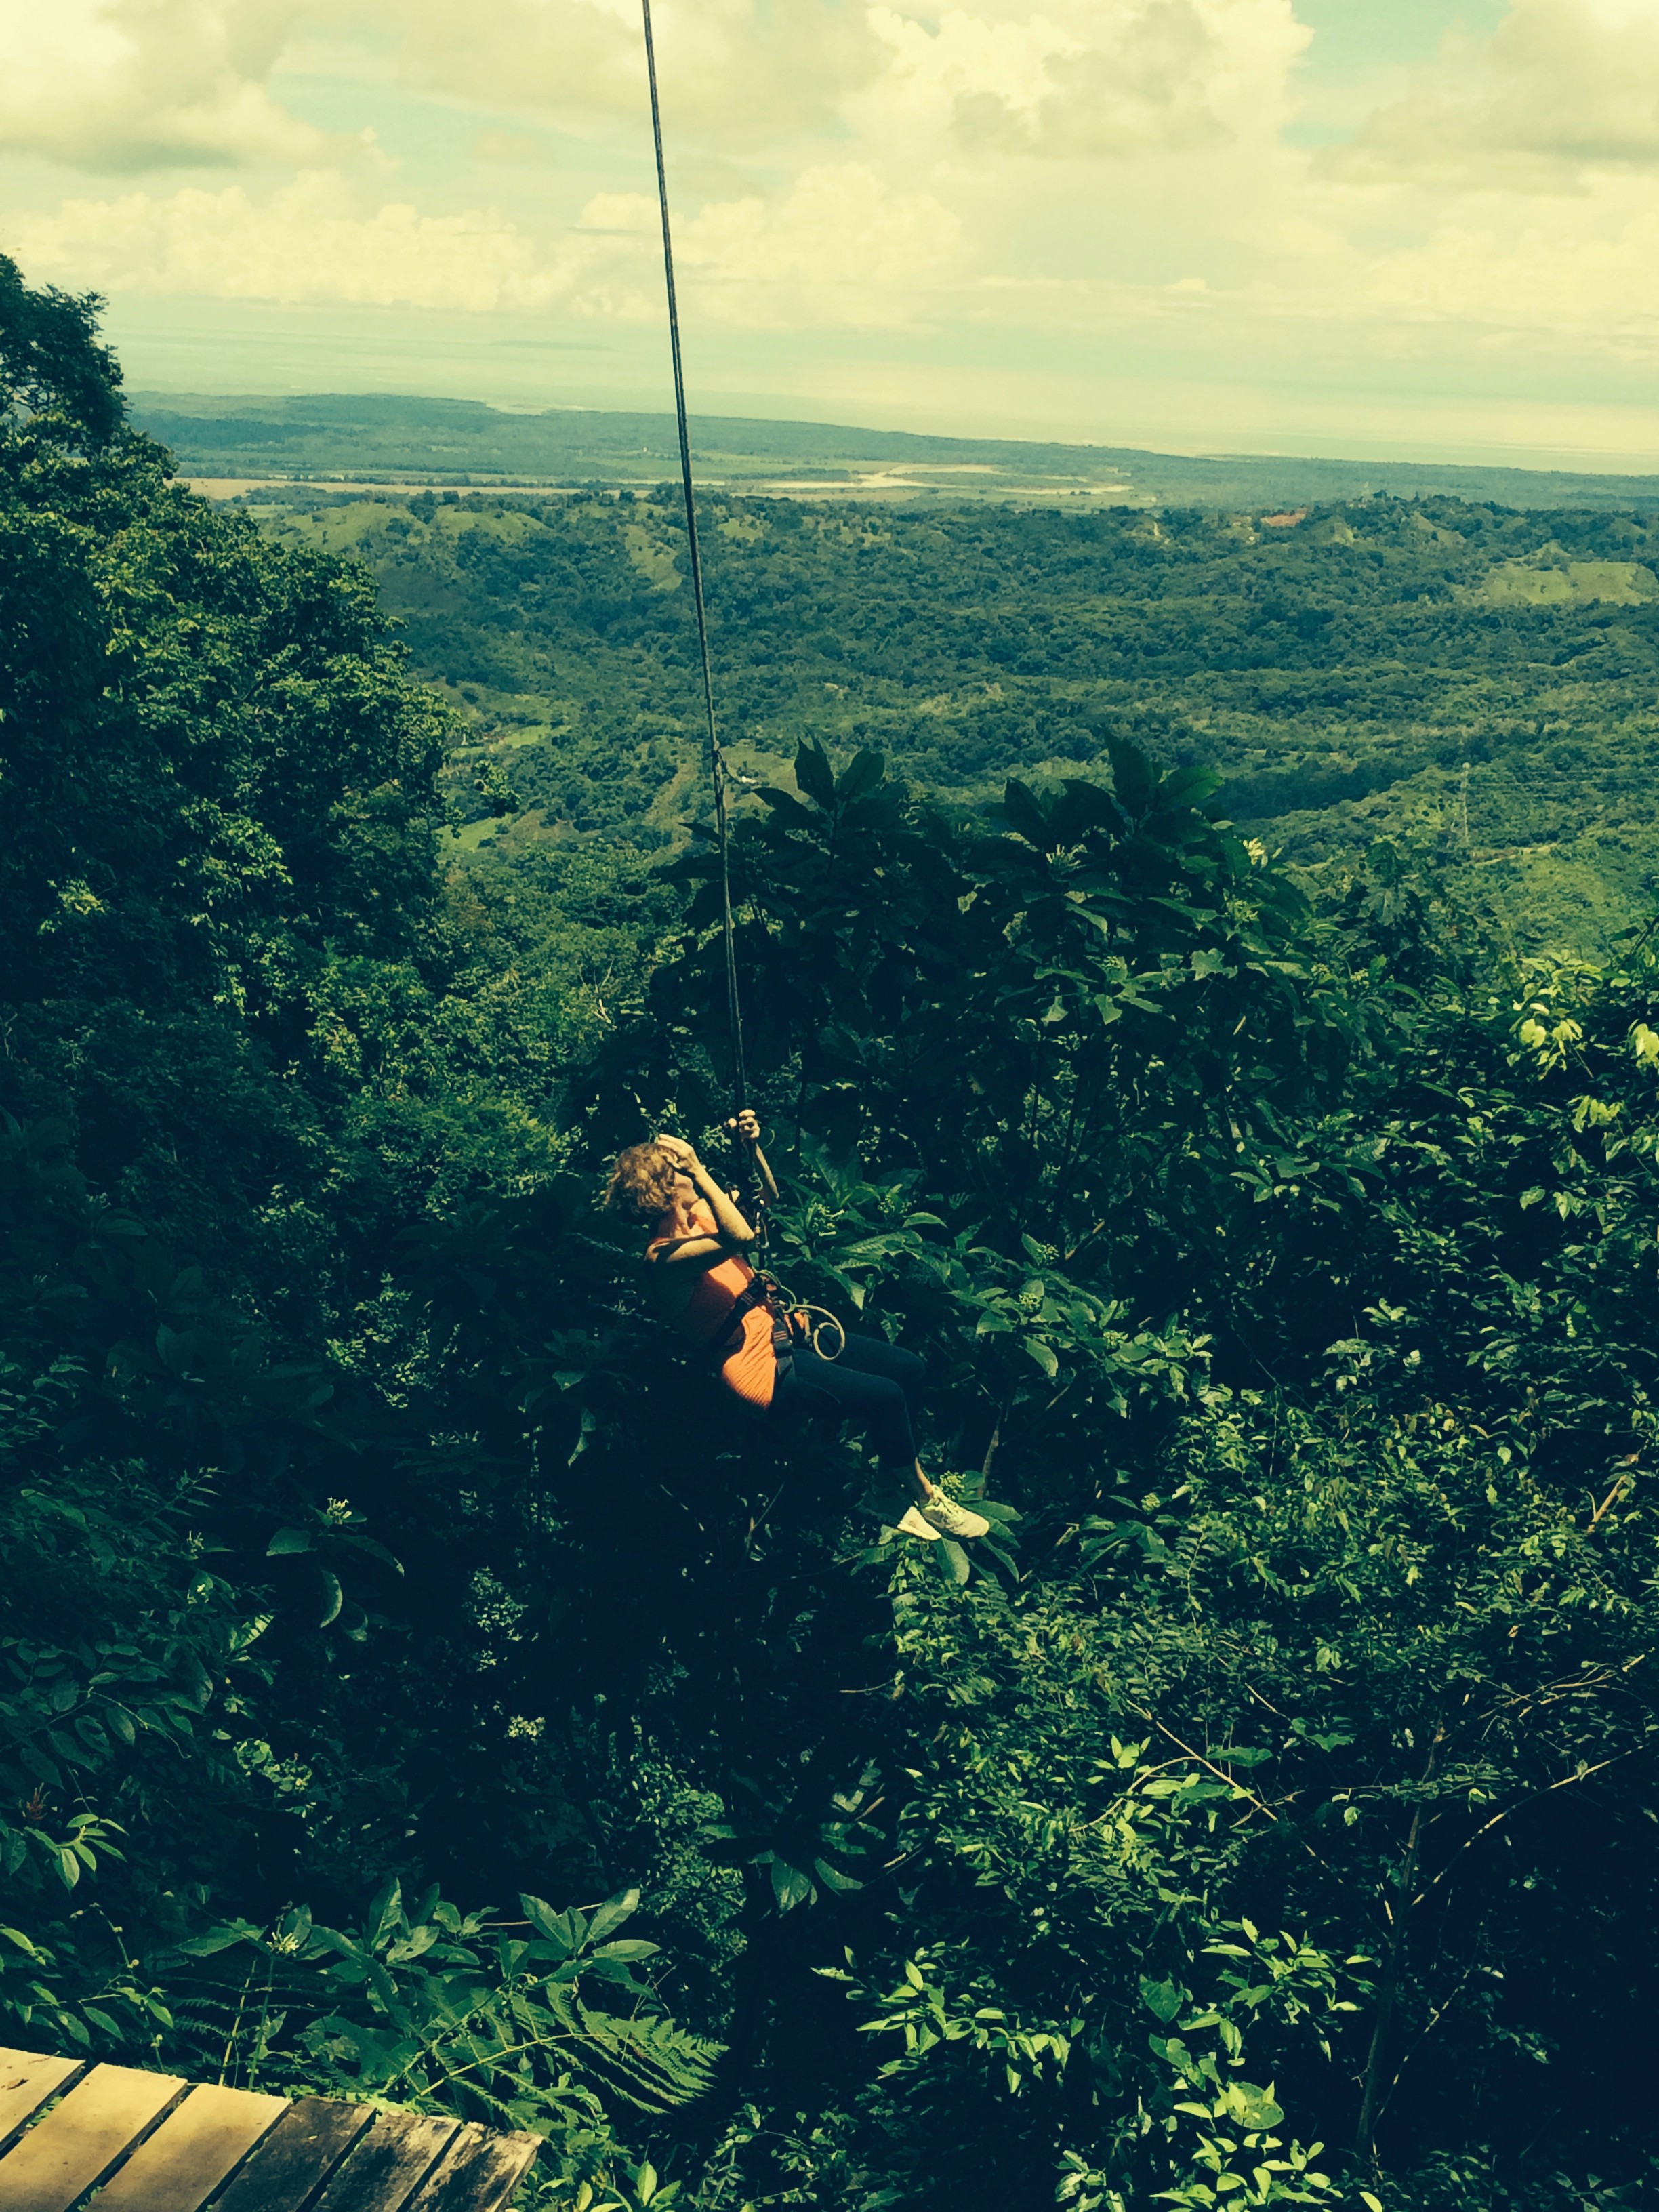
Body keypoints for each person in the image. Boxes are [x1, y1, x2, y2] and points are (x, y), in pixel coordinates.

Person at [605, 1112, 988, 1544]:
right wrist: (700, 1168)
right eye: (680, 1170)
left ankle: (885, 1487)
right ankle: (924, 1495)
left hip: (787, 1336)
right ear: (667, 1185)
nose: (690, 1171)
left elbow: (765, 1197)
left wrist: (752, 1149)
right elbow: (741, 1238)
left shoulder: (702, 1221)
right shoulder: (662, 1261)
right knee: (886, 1396)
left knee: (909, 1369)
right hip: (760, 1372)